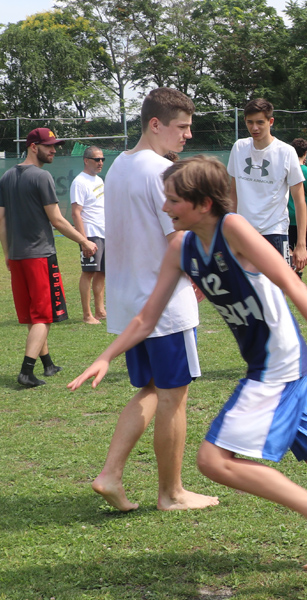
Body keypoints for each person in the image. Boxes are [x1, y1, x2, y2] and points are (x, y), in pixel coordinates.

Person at [68, 155, 307, 577]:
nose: (164, 207)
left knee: (213, 461)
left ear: (203, 203)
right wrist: (105, 357)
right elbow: (146, 318)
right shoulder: (180, 248)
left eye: (173, 200)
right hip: (265, 362)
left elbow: (288, 281)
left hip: (278, 361)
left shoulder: (233, 229)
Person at [97, 87, 218, 512]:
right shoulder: (161, 171)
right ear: (155, 124)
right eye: (181, 127)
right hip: (163, 305)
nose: (187, 135)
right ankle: (172, 493)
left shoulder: (118, 166)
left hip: (130, 302)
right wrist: (202, 278)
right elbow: (178, 240)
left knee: (151, 389)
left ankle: (110, 474)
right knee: (173, 396)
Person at [0, 128, 97, 388]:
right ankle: (26, 372)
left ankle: (48, 363)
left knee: (33, 315)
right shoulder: (41, 176)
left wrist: (7, 254)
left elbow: (2, 220)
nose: (54, 150)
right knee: (43, 316)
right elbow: (57, 220)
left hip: (17, 257)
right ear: (34, 147)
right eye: (49, 146)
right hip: (40, 256)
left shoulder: (7, 176)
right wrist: (84, 240)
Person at [227, 98, 307, 273]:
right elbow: (233, 193)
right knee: (244, 286)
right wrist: (229, 231)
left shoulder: (286, 152)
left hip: (274, 232)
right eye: (250, 122)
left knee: (278, 286)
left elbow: (300, 201)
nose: (254, 128)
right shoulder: (239, 148)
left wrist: (301, 244)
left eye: (260, 122)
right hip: (243, 232)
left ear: (271, 121)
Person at [69, 146, 107, 324]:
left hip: (104, 232)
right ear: (86, 160)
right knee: (88, 273)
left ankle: (100, 311)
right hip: (90, 234)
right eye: (96, 159)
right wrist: (84, 241)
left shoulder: (99, 180)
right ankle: (87, 315)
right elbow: (76, 213)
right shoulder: (79, 182)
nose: (100, 163)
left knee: (102, 272)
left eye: (102, 159)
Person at [290, 138, 307, 279]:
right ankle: (296, 276)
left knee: (287, 249)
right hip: (302, 217)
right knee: (302, 250)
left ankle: (289, 272)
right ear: (305, 153)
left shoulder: (287, 169)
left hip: (286, 216)